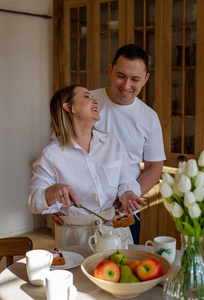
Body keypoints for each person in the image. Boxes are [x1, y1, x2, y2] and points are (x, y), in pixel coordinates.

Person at [51, 44, 166, 244]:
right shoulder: (85, 102)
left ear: (146, 79)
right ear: (110, 70)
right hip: (80, 211)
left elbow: (155, 166)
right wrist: (51, 202)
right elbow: (55, 156)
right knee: (78, 267)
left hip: (125, 210)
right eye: (121, 76)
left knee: (125, 266)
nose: (126, 85)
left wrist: (129, 195)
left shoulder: (149, 117)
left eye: (135, 79)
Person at [27, 85, 146, 247]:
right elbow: (34, 200)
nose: (95, 100)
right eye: (86, 97)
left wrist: (128, 193)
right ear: (69, 107)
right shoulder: (51, 155)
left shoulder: (113, 143)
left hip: (115, 232)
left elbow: (126, 181)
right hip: (75, 237)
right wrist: (53, 191)